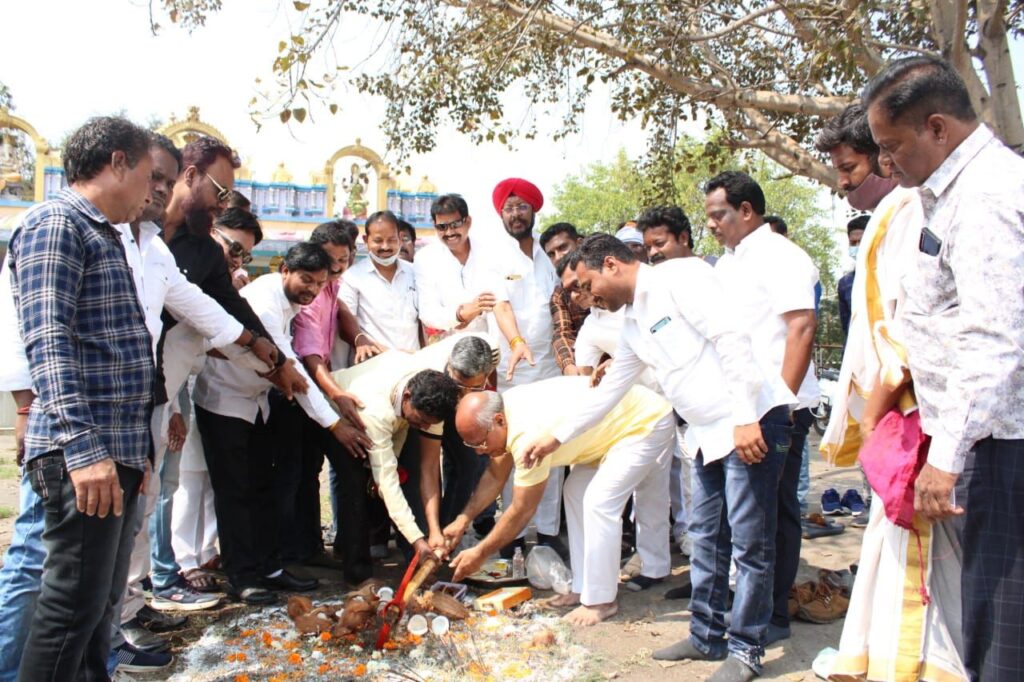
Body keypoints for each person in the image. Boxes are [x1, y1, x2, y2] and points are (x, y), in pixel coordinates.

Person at [521, 234, 795, 681]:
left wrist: (747, 417)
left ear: (610, 264)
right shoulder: (630, 324)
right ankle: (706, 636)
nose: (585, 297)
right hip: (706, 434)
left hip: (750, 421)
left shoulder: (679, 278)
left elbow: (731, 339)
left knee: (750, 543)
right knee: (706, 537)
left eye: (586, 284)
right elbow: (609, 392)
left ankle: (746, 651)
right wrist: (556, 438)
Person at [865, 55, 1024, 682]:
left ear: (936, 127)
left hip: (1000, 444)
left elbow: (994, 341)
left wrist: (947, 456)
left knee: (1002, 621)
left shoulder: (984, 198)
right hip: (982, 436)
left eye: (890, 146)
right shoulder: (950, 194)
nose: (886, 164)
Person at [817, 89, 964, 682]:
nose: (843, 184)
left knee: (919, 564)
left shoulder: (912, 213)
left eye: (851, 167)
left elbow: (905, 332)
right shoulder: (896, 212)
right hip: (904, 416)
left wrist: (877, 417)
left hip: (916, 419)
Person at [6, 116, 154, 682]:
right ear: (117, 163)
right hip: (81, 454)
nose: (148, 193)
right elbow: (49, 342)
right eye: (145, 175)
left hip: (113, 449)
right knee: (70, 607)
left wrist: (131, 451)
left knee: (95, 612)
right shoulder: (56, 223)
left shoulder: (101, 231)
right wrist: (83, 449)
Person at [192, 243, 353, 605]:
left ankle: (269, 567)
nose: (311, 289)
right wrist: (334, 425)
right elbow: (290, 370)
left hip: (256, 403)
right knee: (236, 494)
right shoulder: (264, 301)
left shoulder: (291, 303)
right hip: (223, 400)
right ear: (285, 270)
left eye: (319, 283)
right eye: (305, 280)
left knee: (264, 489)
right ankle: (241, 576)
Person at [446, 378, 675, 626]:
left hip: (642, 422)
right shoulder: (503, 412)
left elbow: (522, 510)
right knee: (575, 491)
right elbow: (494, 475)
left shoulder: (526, 435)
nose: (478, 451)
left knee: (599, 502)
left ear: (499, 421)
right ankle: (583, 587)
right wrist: (464, 518)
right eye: (471, 445)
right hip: (607, 433)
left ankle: (601, 601)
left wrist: (480, 553)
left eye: (480, 442)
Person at [707, 172, 820, 652]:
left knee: (775, 512)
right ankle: (750, 606)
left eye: (719, 215)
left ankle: (774, 612)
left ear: (747, 210)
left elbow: (800, 327)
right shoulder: (729, 263)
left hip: (779, 406)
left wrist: (785, 404)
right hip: (743, 405)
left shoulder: (781, 256)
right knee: (745, 516)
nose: (711, 224)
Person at [330, 361, 463, 559]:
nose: (425, 428)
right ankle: (354, 568)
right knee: (355, 486)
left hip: (369, 425)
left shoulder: (430, 395)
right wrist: (417, 539)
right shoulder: (375, 412)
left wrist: (434, 531)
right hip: (325, 415)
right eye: (422, 421)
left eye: (430, 424)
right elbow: (387, 482)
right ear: (408, 396)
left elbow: (426, 467)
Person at [339, 210, 420, 353]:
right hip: (374, 364)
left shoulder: (415, 272)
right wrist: (392, 354)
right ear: (366, 240)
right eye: (378, 240)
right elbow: (346, 323)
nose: (385, 247)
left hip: (415, 363)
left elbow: (422, 321)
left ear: (400, 239)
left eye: (391, 240)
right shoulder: (352, 277)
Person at [540, 222, 590, 376]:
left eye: (563, 247)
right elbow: (562, 333)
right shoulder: (560, 295)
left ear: (579, 243)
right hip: (588, 368)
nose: (558, 257)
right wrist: (568, 366)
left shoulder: (604, 272)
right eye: (551, 254)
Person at [837, 215, 869, 338]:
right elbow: (847, 326)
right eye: (853, 242)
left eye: (861, 241)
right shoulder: (846, 283)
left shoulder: (891, 277)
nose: (857, 246)